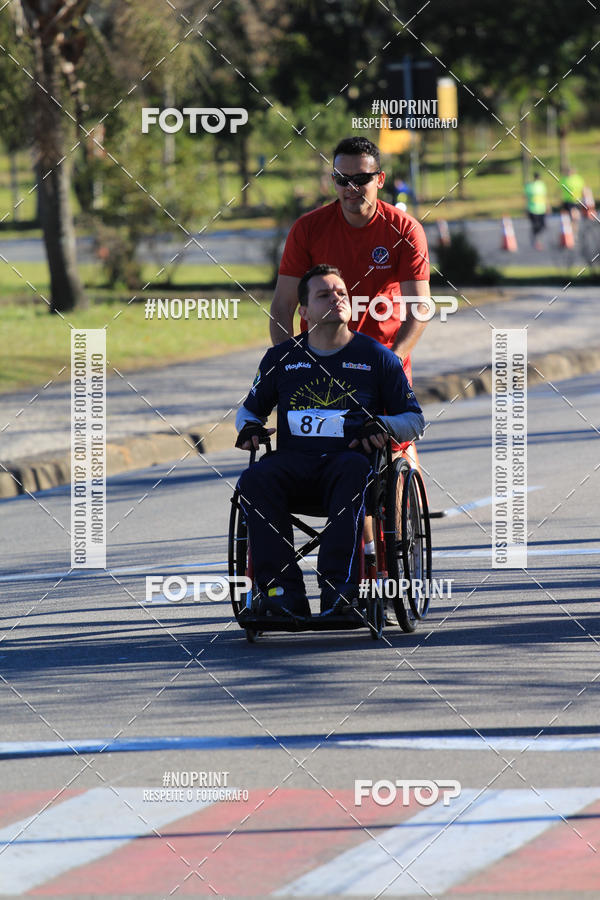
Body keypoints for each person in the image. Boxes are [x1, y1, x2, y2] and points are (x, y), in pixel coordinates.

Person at [235, 264, 425, 619]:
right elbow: (248, 412)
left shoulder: (377, 357)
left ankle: (342, 590)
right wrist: (248, 429)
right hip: (295, 467)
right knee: (254, 479)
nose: (337, 299)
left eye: (341, 294)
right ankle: (280, 593)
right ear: (303, 312)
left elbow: (414, 419)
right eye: (325, 295)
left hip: (349, 465)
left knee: (353, 471)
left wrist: (382, 425)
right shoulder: (281, 358)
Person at [269, 136, 430, 386]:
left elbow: (419, 309)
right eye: (342, 180)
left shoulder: (405, 229)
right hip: (321, 372)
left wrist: (392, 362)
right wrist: (292, 365)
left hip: (383, 369)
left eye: (361, 179)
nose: (351, 188)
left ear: (380, 179)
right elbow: (282, 306)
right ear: (333, 181)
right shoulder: (308, 229)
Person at [524, 172, 548, 250]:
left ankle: (536, 238)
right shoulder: (529, 186)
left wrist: (548, 206)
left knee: (543, 226)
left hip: (541, 209)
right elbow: (526, 198)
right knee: (535, 225)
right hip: (533, 209)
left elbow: (544, 196)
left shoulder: (542, 185)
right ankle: (537, 241)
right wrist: (526, 209)